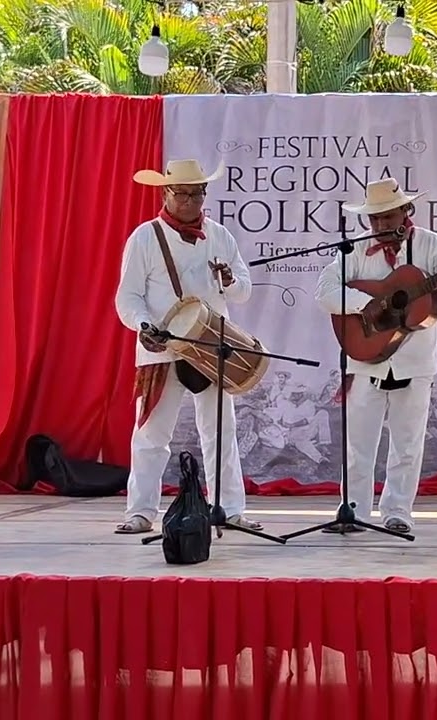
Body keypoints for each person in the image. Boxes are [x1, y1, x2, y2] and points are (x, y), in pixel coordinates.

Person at [316, 178, 437, 535]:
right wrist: (368, 305)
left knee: (408, 443)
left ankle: (398, 511)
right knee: (359, 444)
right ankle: (353, 511)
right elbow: (325, 292)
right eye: (374, 219)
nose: (380, 226)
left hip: (414, 361)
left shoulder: (431, 245)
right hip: (365, 358)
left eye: (387, 217)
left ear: (405, 211)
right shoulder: (353, 252)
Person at [113, 159, 261, 534]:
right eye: (183, 194)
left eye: (198, 193)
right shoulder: (145, 237)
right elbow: (127, 297)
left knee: (220, 430)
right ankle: (141, 511)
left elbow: (243, 290)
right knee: (151, 433)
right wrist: (143, 325)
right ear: (166, 193)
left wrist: (229, 280)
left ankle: (229, 508)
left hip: (213, 347)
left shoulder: (220, 235)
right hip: (162, 348)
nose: (191, 201)